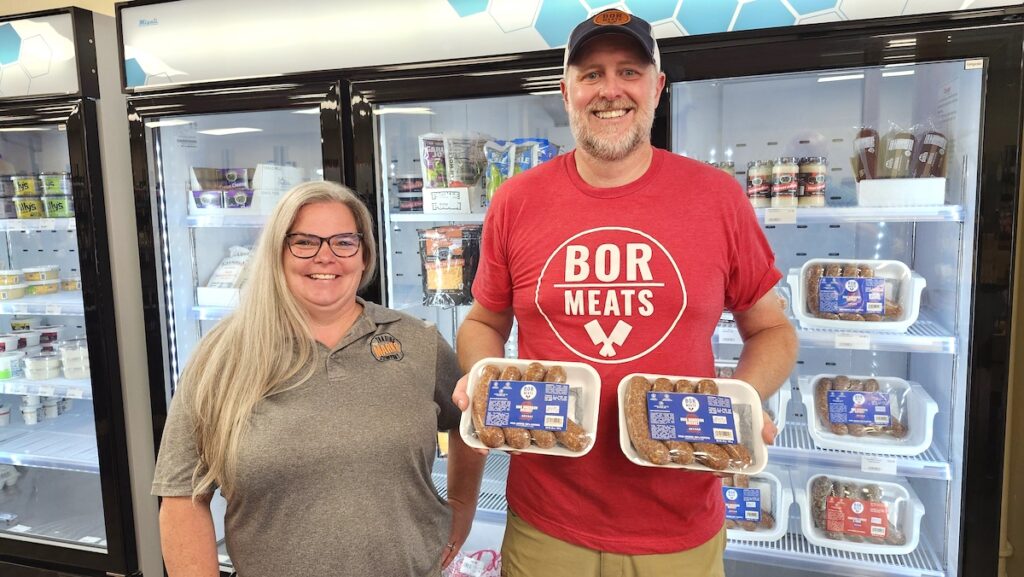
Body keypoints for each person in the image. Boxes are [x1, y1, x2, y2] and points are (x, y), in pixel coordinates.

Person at [453, 8, 798, 577]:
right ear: (566, 91)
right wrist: (485, 384)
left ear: (657, 87)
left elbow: (772, 329)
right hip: (547, 518)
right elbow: (482, 321)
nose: (609, 90)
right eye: (590, 74)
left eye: (629, 71)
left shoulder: (715, 197)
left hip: (681, 518)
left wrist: (741, 401)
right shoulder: (517, 200)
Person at [152, 181, 483, 577]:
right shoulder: (222, 355)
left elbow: (469, 421)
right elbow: (181, 496)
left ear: (364, 256)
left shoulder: (416, 340)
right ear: (278, 253)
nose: (325, 257)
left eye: (344, 242)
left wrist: (461, 511)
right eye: (305, 242)